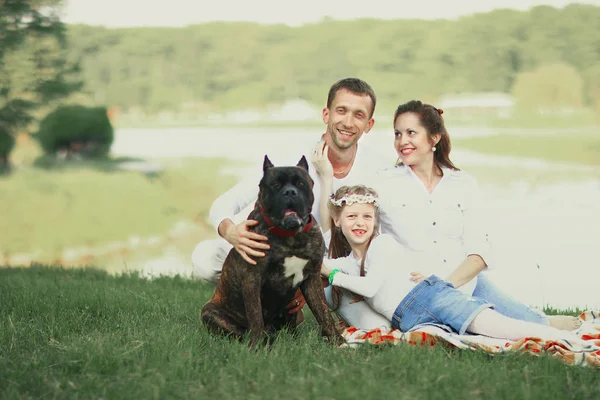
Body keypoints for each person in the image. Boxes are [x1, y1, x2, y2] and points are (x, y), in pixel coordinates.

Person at [313, 99, 579, 331]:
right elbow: (343, 218)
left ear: (434, 138)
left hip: (465, 282)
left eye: (411, 133)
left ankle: (537, 320)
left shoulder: (463, 183)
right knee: (501, 327)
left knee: (534, 323)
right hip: (415, 291)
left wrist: (447, 284)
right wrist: (326, 176)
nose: (402, 141)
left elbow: (480, 250)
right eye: (397, 134)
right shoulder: (384, 182)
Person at [191, 77, 391, 325]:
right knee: (205, 256)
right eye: (341, 111)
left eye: (358, 115)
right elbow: (227, 202)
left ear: (369, 124)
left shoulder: (379, 169)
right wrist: (231, 231)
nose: (348, 122)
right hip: (270, 256)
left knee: (377, 320)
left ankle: (294, 306)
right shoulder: (288, 156)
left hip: (333, 266)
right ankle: (263, 303)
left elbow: (384, 234)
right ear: (326, 114)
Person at [320, 184, 581, 342]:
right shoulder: (351, 262)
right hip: (409, 318)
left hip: (428, 298)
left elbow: (370, 287)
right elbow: (323, 262)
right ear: (337, 220)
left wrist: (331, 276)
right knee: (475, 336)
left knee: (501, 328)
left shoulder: (382, 244)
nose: (360, 222)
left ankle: (567, 339)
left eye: (367, 216)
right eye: (352, 216)